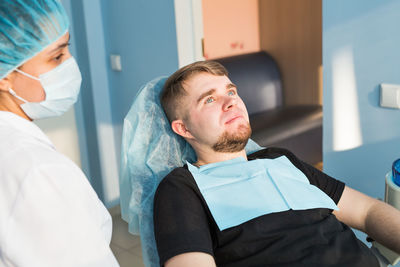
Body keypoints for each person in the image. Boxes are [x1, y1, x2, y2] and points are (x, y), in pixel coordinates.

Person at [153, 60, 400, 267]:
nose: (232, 102)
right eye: (209, 99)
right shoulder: (182, 187)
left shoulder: (279, 158)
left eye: (230, 91)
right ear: (183, 128)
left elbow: (368, 212)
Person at [0, 1, 119, 266]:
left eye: (68, 49)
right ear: (4, 77)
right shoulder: (39, 171)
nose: (70, 64)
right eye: (56, 56)